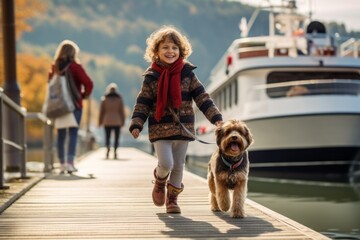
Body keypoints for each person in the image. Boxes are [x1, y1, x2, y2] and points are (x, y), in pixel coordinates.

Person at [129, 26, 223, 214]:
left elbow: (202, 97)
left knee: (179, 165)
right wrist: (137, 123)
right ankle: (160, 180)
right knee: (166, 163)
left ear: (181, 51)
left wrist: (216, 118)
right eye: (165, 47)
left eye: (174, 48)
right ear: (156, 51)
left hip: (183, 127)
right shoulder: (151, 76)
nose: (170, 51)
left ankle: (172, 200)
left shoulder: (188, 73)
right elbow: (143, 102)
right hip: (160, 128)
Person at [48, 40, 94, 173]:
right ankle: (70, 163)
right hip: (74, 105)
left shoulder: (54, 67)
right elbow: (89, 83)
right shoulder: (75, 67)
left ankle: (61, 164)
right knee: (73, 133)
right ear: (73, 53)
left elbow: (49, 85)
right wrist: (83, 95)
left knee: (61, 134)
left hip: (59, 106)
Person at [98, 83, 126, 159]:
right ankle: (115, 151)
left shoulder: (104, 99)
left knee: (107, 136)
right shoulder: (119, 99)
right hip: (117, 120)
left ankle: (107, 148)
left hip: (106, 120)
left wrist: (99, 122)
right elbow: (122, 111)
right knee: (117, 137)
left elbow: (101, 112)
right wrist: (123, 121)